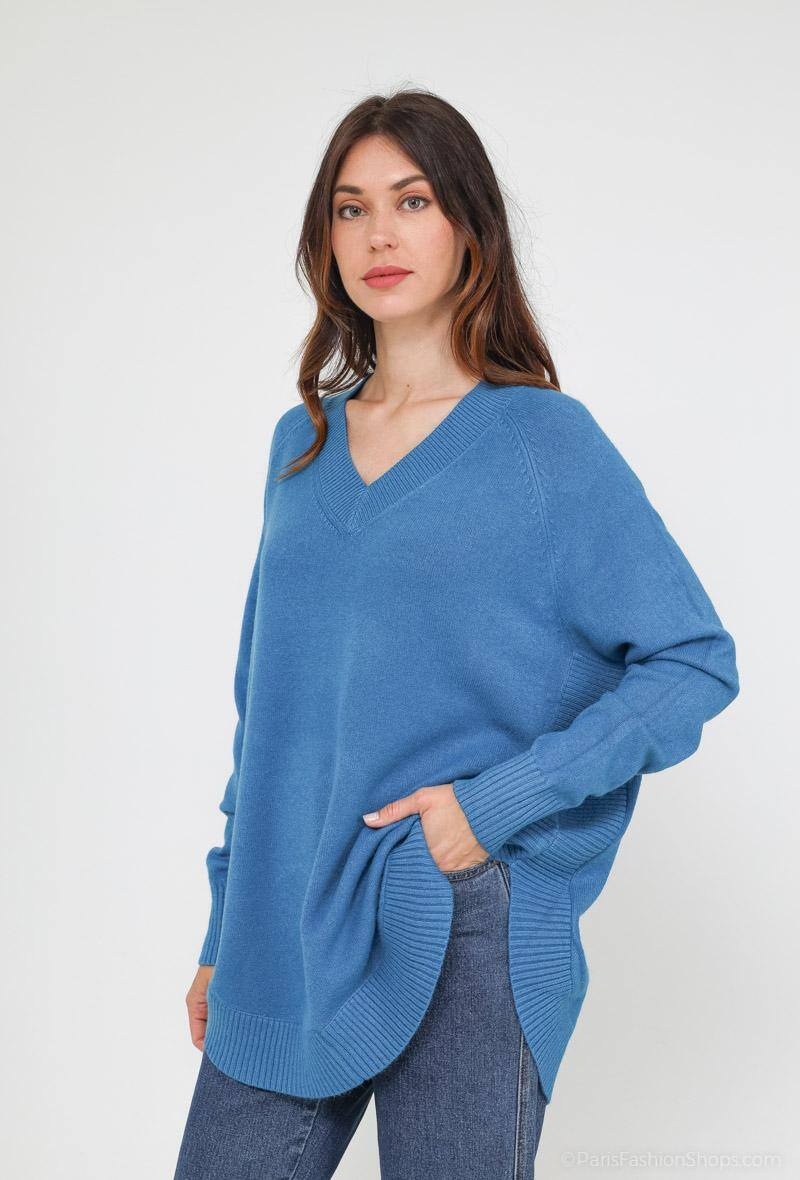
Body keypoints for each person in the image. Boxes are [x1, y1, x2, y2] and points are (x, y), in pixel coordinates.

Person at [173, 89, 740, 1180]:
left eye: (412, 200)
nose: (378, 235)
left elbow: (690, 662)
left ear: (468, 226)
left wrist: (490, 808)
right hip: (282, 934)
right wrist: (220, 931)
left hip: (458, 917)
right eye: (350, 209)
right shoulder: (300, 447)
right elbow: (269, 719)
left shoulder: (542, 442)